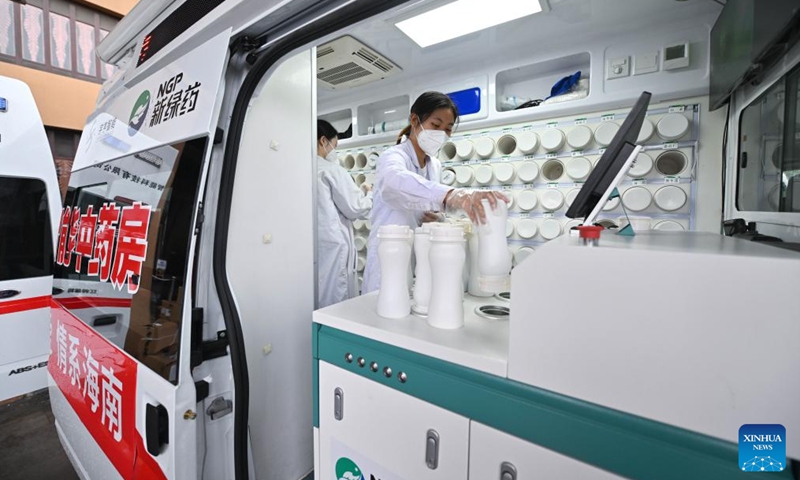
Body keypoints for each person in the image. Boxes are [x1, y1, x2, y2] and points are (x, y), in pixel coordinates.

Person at [362, 91, 507, 293]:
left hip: (421, 257)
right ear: (415, 120)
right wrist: (451, 195)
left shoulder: (435, 165)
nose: (442, 134)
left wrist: (438, 218)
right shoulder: (393, 156)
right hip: (388, 258)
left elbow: (424, 200)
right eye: (436, 125)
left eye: (448, 129)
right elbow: (394, 184)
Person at [316, 119, 372, 308]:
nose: (334, 151)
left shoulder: (299, 169)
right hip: (333, 246)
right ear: (323, 141)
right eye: (334, 145)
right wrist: (369, 194)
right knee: (334, 302)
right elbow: (355, 208)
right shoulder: (331, 170)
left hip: (314, 247)